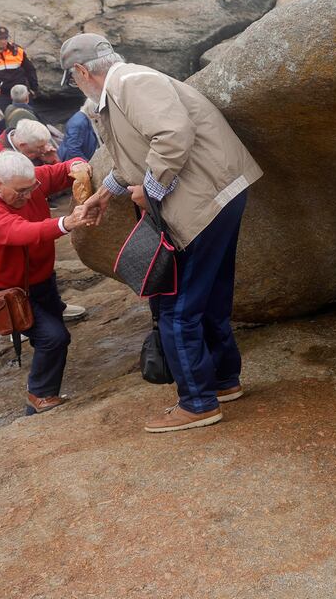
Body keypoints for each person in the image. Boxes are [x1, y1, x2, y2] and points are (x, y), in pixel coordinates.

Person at [63, 32, 263, 434]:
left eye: (72, 79)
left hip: (203, 202)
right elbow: (131, 158)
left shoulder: (131, 84)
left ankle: (197, 403)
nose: (75, 86)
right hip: (219, 195)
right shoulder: (124, 89)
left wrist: (150, 192)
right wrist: (104, 194)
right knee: (211, 297)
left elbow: (171, 136)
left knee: (177, 306)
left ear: (82, 71)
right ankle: (224, 382)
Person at [0, 150, 94, 415]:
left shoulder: (29, 179)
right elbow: (21, 232)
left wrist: (79, 166)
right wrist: (66, 222)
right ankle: (40, 397)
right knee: (54, 337)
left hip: (40, 279)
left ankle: (44, 388)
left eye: (31, 189)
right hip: (4, 289)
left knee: (53, 331)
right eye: (20, 192)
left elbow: (63, 169)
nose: (27, 195)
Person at [0, 25, 38, 112]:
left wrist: (34, 88)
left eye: (6, 38)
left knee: (29, 117)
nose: (4, 41)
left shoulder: (17, 50)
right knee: (1, 121)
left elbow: (30, 70)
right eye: (0, 38)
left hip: (19, 91)